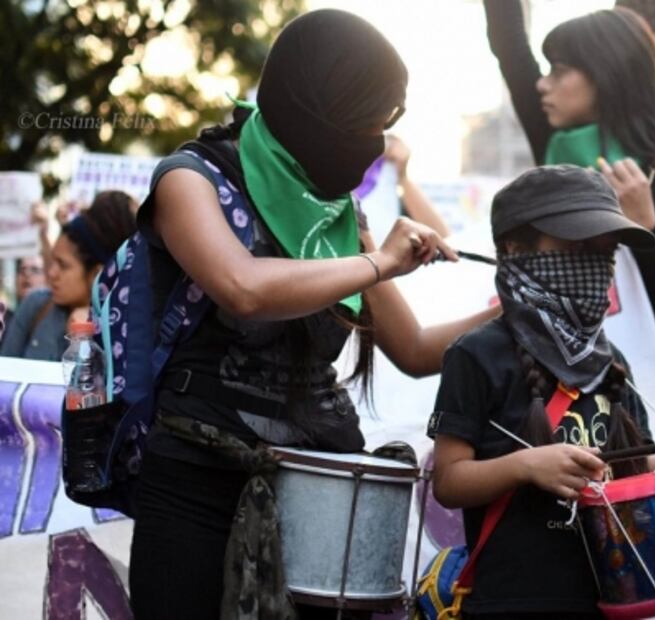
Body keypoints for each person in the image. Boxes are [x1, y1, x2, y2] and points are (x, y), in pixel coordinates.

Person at [127, 10, 499, 620]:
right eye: (367, 121)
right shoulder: (190, 180)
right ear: (319, 104)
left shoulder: (339, 214)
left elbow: (413, 349)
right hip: (196, 478)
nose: (374, 142)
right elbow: (243, 287)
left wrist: (509, 309)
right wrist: (378, 263)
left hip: (320, 486)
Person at [429, 165, 655, 619]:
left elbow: (629, 467)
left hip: (611, 601)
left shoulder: (611, 362)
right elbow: (449, 481)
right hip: (511, 603)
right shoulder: (475, 354)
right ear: (515, 248)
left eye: (607, 251)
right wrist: (526, 466)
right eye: (577, 248)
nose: (596, 266)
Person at [483, 0, 655, 345]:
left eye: (558, 71)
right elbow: (510, 46)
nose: (542, 84)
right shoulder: (554, 143)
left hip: (621, 371)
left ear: (607, 75)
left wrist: (645, 226)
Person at [0, 191, 136, 360]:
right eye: (53, 261)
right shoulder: (36, 304)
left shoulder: (121, 329)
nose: (51, 273)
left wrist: (88, 338)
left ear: (96, 274)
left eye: (63, 266)